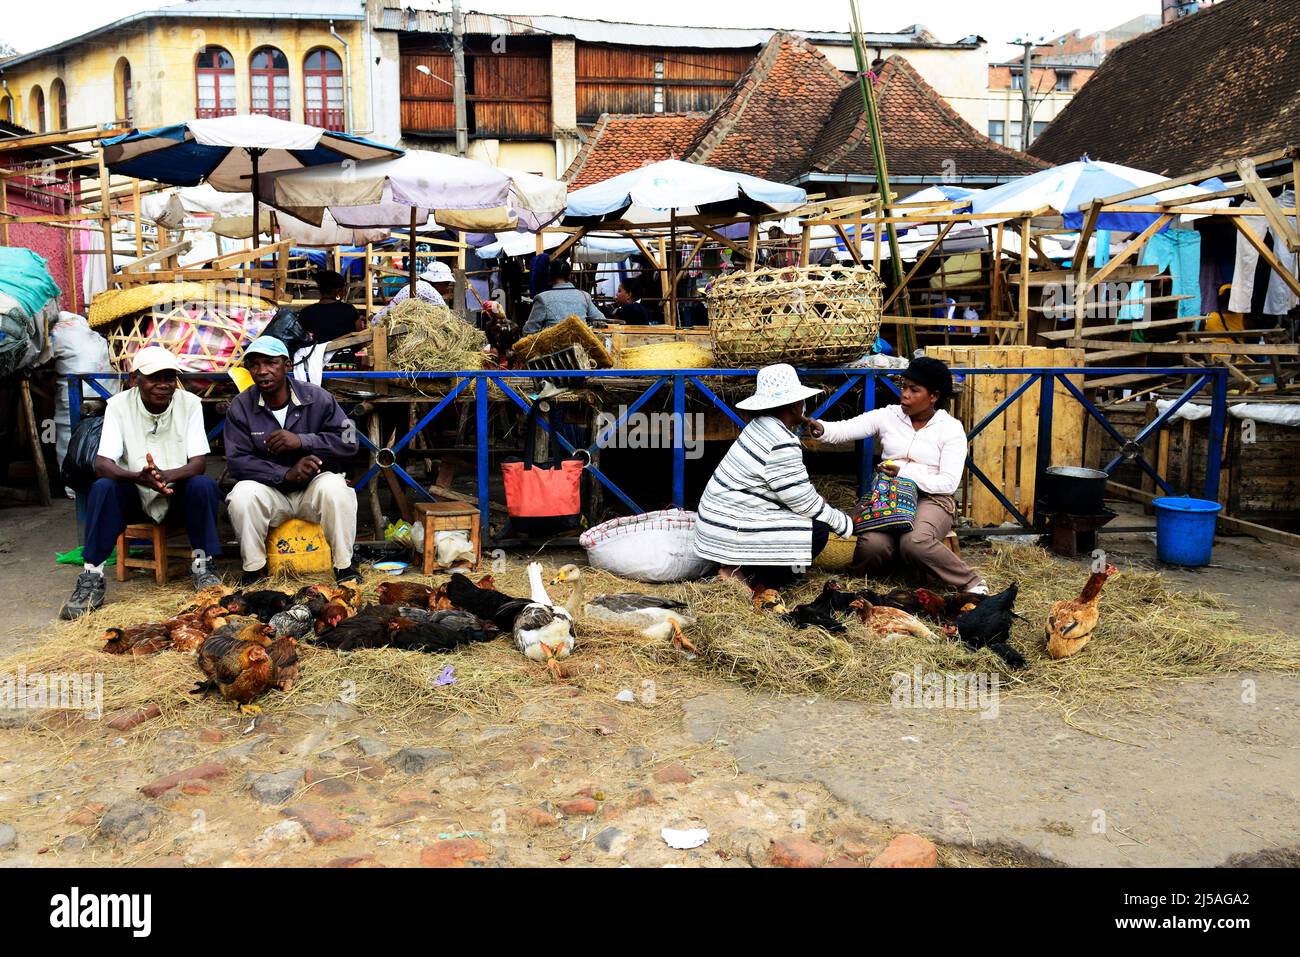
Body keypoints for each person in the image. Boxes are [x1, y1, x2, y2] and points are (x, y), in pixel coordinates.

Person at [60, 347, 223, 618]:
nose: (163, 385)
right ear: (135, 379)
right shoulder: (118, 405)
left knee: (202, 485)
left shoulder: (190, 403)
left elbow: (198, 463)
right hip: (134, 493)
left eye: (169, 378)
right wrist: (139, 477)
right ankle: (92, 576)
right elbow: (103, 464)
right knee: (103, 487)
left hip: (175, 492)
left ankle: (203, 566)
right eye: (154, 378)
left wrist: (166, 476)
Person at [805, 356, 987, 592]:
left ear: (933, 396)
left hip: (932, 498)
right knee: (872, 547)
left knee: (915, 542)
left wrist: (905, 473)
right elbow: (847, 428)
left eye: (914, 390)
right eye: (904, 387)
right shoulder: (890, 415)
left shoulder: (950, 428)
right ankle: (890, 575)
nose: (905, 395)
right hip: (889, 495)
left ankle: (971, 582)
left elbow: (948, 483)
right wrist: (822, 428)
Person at [694, 364, 852, 598]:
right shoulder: (781, 441)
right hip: (729, 526)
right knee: (816, 531)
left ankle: (738, 567)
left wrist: (816, 501)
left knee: (812, 515)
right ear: (795, 405)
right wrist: (844, 523)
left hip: (716, 521)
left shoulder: (760, 426)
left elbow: (787, 489)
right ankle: (753, 579)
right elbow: (803, 504)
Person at [224, 336, 362, 585]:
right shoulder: (241, 406)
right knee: (241, 494)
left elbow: (350, 441)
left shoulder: (318, 397)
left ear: (287, 365)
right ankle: (255, 571)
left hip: (312, 491)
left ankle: (345, 568)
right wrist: (283, 474)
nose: (262, 371)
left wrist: (303, 441)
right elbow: (237, 461)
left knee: (336, 488)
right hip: (271, 493)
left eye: (270, 363)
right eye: (254, 365)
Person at [522, 258, 604, 335]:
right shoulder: (584, 296)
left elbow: (528, 331)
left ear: (550, 276)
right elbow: (601, 320)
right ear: (569, 275)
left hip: (554, 349)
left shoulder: (542, 298)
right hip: (582, 346)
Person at [373, 261, 456, 322]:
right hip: (382, 323)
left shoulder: (420, 285)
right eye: (446, 284)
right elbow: (446, 314)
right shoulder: (429, 290)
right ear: (438, 283)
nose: (446, 288)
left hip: (381, 318)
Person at [298, 270, 363, 343]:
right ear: (338, 290)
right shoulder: (350, 310)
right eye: (344, 289)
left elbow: (299, 338)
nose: (344, 292)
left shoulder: (306, 312)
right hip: (344, 353)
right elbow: (361, 339)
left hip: (314, 353)